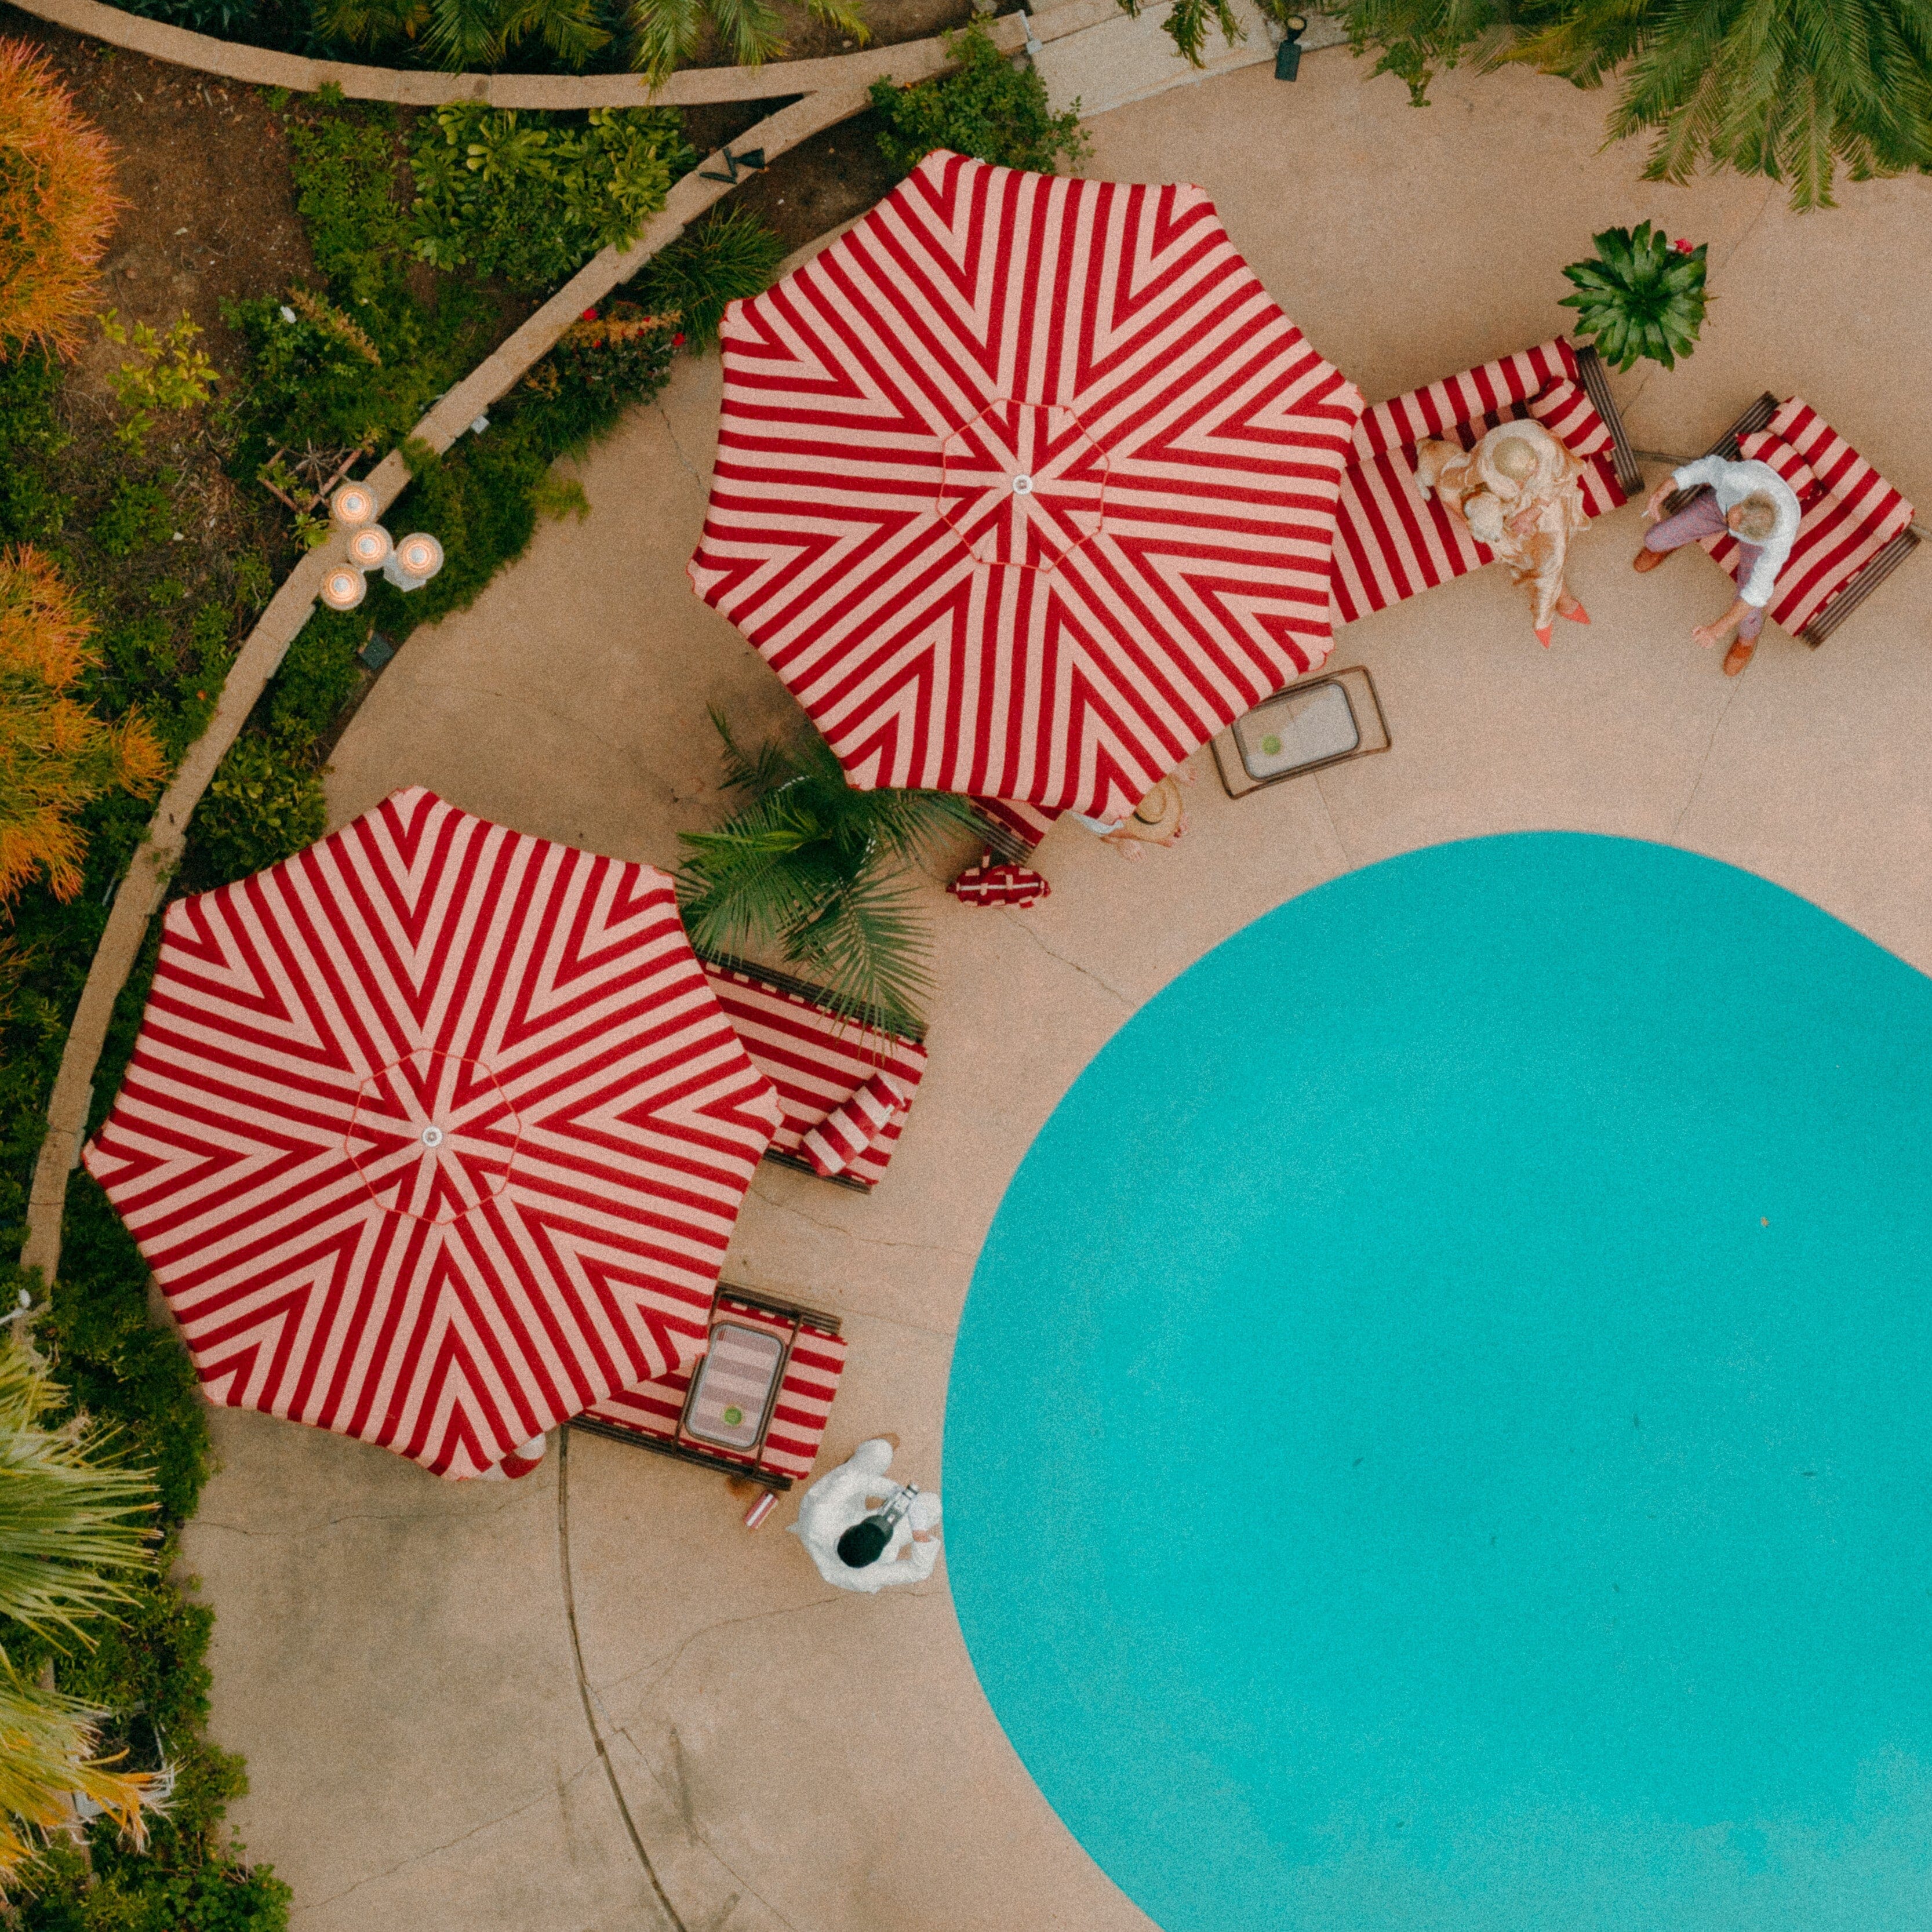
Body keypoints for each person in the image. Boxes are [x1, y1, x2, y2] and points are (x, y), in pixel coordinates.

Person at [1414, 420, 1591, 647]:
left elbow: (1563, 477)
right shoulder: (1485, 466)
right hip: (1507, 505)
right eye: (1517, 479)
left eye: (1530, 473)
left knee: (1554, 541)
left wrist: (1535, 510)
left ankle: (1546, 613)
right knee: (1517, 546)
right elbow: (1448, 483)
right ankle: (1561, 599)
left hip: (1547, 497)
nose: (1523, 481)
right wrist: (1467, 519)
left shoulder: (1546, 449)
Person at [1635, 454, 1802, 676]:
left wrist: (1715, 631)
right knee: (1654, 540)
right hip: (1720, 505)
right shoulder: (1741, 479)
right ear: (1746, 501)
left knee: (1748, 613)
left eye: (1734, 529)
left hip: (1755, 543)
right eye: (1732, 517)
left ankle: (1747, 640)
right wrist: (1667, 487)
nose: (1727, 527)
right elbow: (1706, 469)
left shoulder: (1777, 542)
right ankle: (1680, 538)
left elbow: (1756, 594)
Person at [790, 1437, 941, 1595]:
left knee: (882, 1449)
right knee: (933, 1506)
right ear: (878, 1556)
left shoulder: (821, 1515)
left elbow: (852, 1481)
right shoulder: (866, 1578)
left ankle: (857, 1461)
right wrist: (920, 1535)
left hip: (837, 1507)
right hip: (838, 1517)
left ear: (846, 1532)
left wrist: (893, 1491)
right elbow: (919, 1570)